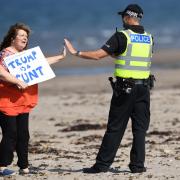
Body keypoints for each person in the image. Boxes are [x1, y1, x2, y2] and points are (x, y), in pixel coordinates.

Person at [65, 4, 154, 174]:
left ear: (128, 17)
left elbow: (98, 55)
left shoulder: (121, 36)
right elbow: (135, 57)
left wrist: (76, 52)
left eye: (123, 17)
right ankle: (137, 166)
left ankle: (102, 165)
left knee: (115, 128)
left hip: (125, 90)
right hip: (144, 89)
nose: (122, 20)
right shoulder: (149, 38)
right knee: (140, 129)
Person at [0, 22, 66, 176]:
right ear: (12, 38)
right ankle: (2, 167)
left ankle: (24, 167)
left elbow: (41, 63)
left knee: (24, 134)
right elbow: (2, 73)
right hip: (6, 102)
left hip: (23, 101)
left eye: (26, 36)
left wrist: (61, 57)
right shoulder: (4, 54)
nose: (25, 38)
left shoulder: (23, 56)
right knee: (11, 134)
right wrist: (17, 81)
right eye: (21, 35)